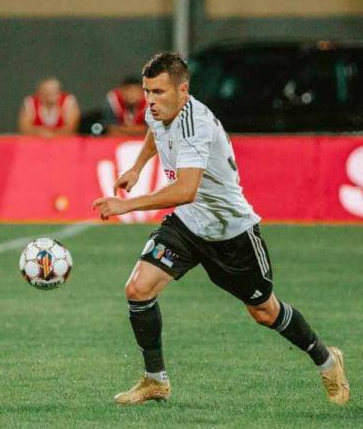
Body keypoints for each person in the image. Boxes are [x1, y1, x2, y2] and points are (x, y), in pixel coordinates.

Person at [92, 52, 349, 406]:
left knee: (264, 312)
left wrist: (127, 205)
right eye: (147, 91)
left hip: (231, 233)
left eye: (159, 92)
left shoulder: (195, 125)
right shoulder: (160, 109)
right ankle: (155, 380)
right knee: (138, 289)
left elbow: (185, 190)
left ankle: (327, 360)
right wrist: (137, 167)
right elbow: (155, 132)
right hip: (187, 225)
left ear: (183, 91)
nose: (150, 101)